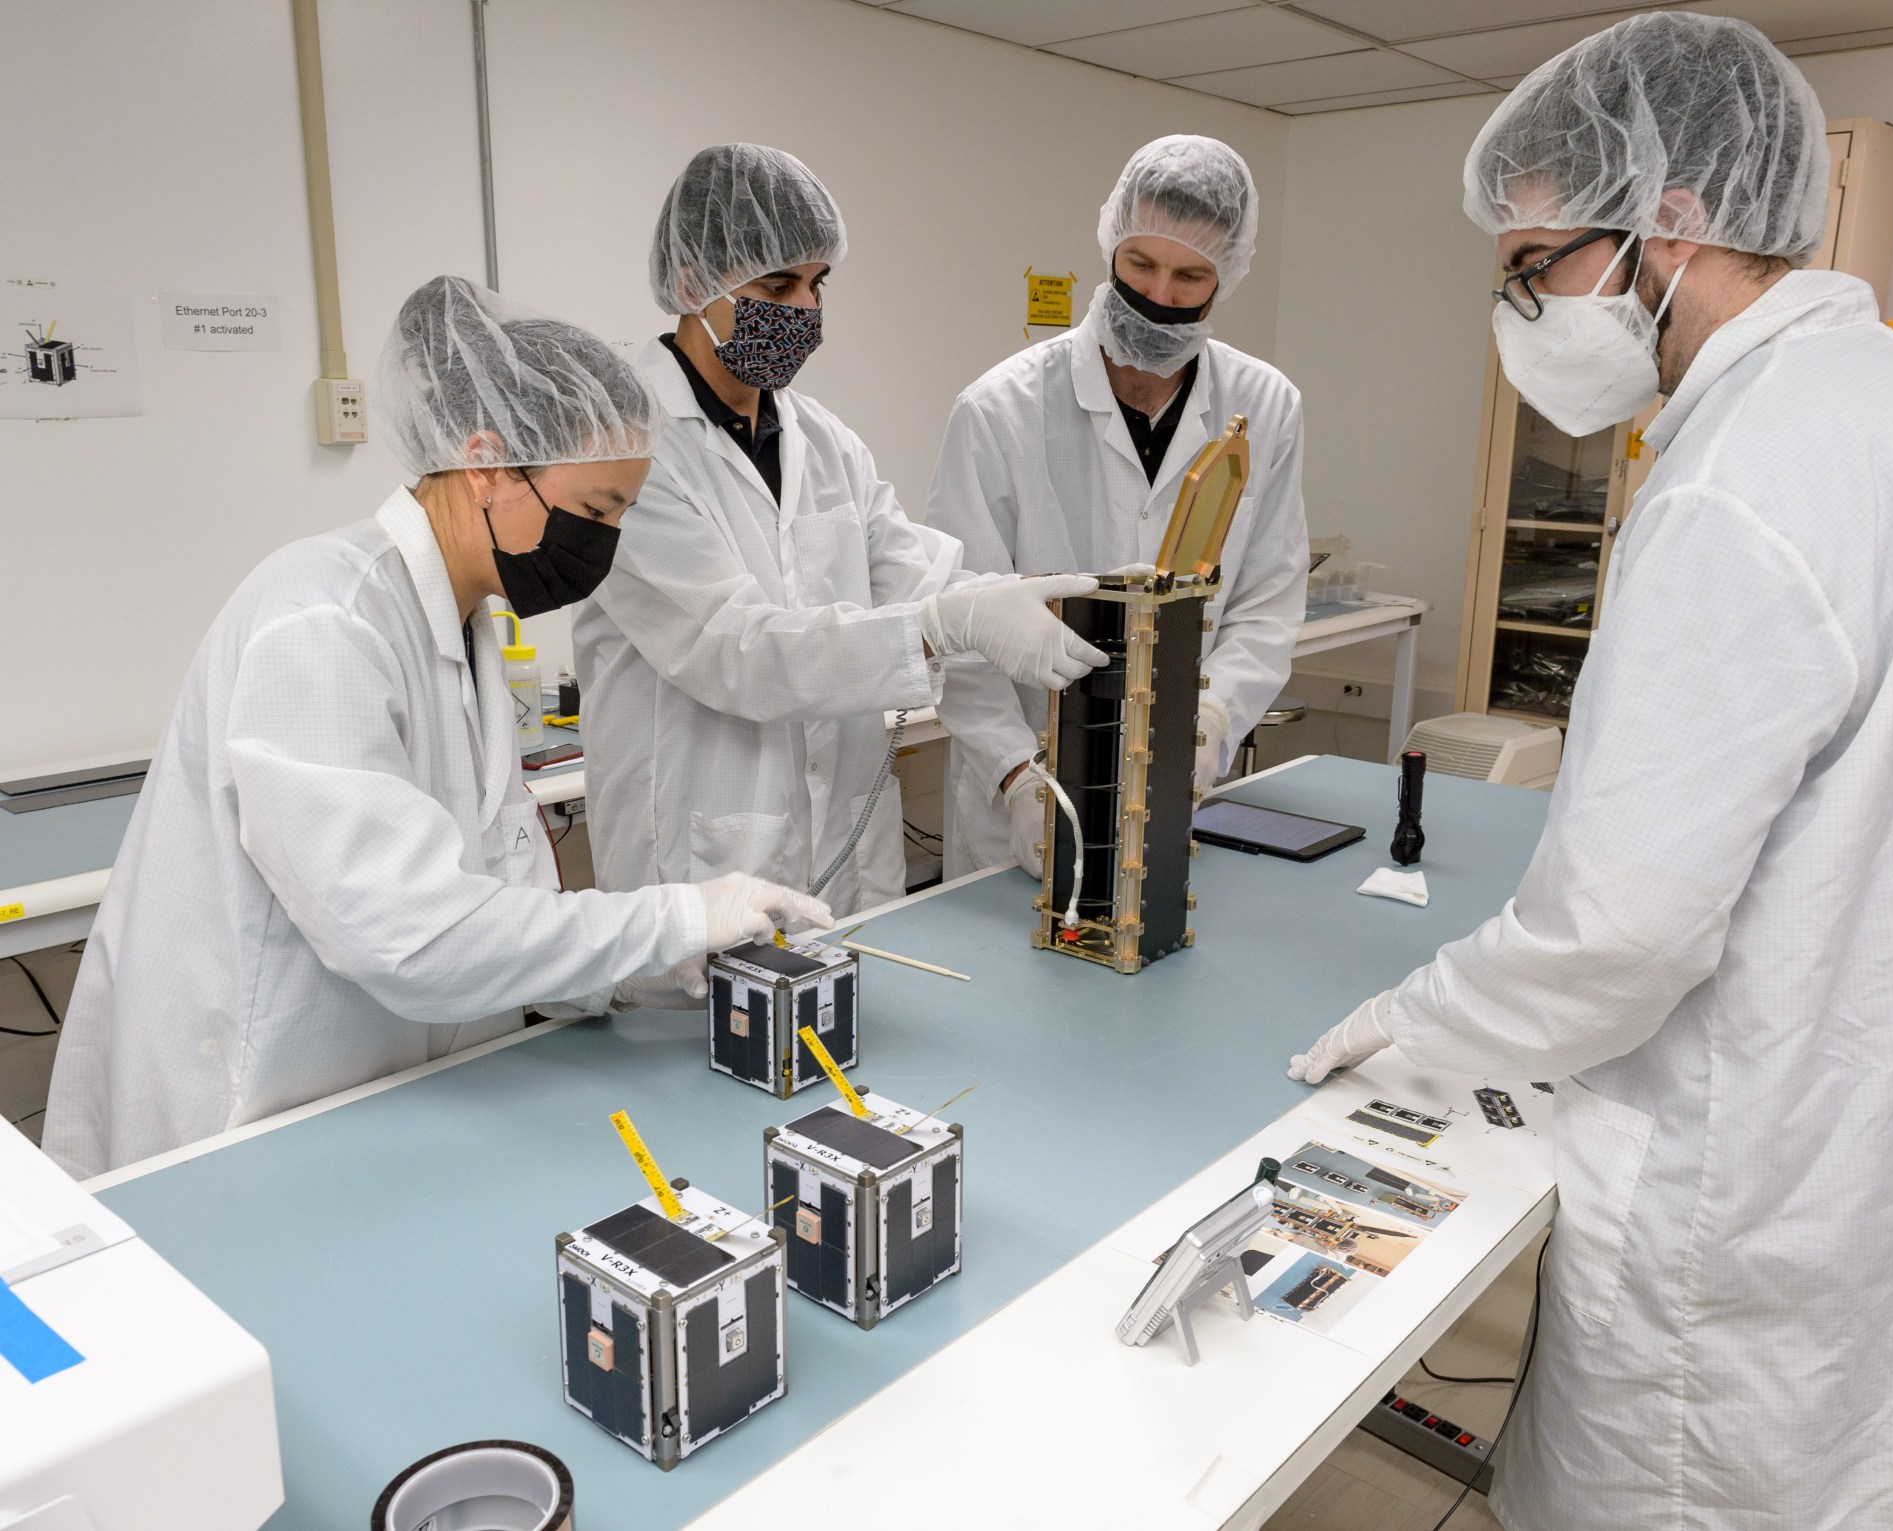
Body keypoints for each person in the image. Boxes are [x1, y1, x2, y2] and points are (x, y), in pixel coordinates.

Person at [1289, 15, 1893, 1530]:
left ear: (1671, 225)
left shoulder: (1740, 477)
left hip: (1763, 1202)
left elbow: (1616, 933)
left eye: (1538, 262)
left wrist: (1408, 1020)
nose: (1521, 305)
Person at [43, 276, 830, 1179]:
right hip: (240, 1114)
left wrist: (648, 961)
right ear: (489, 464)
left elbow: (500, 895)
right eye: (597, 511)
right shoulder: (324, 620)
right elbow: (410, 932)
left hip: (379, 1105)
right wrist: (670, 914)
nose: (604, 543)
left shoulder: (465, 625)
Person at [575, 144, 1102, 918]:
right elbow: (737, 649)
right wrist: (941, 624)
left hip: (847, 853)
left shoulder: (824, 442)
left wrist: (1045, 603)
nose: (806, 310)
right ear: (692, 283)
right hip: (700, 864)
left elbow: (912, 572)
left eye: (818, 283)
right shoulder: (628, 450)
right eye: (778, 283)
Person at [926, 134, 1308, 878]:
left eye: (1190, 273)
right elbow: (960, 621)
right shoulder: (997, 411)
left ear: (1224, 276)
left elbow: (1266, 604)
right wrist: (1017, 776)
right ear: (1109, 246)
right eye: (1141, 263)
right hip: (1016, 801)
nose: (1160, 294)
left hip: (1166, 791)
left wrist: (1207, 728)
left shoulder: (1266, 406)